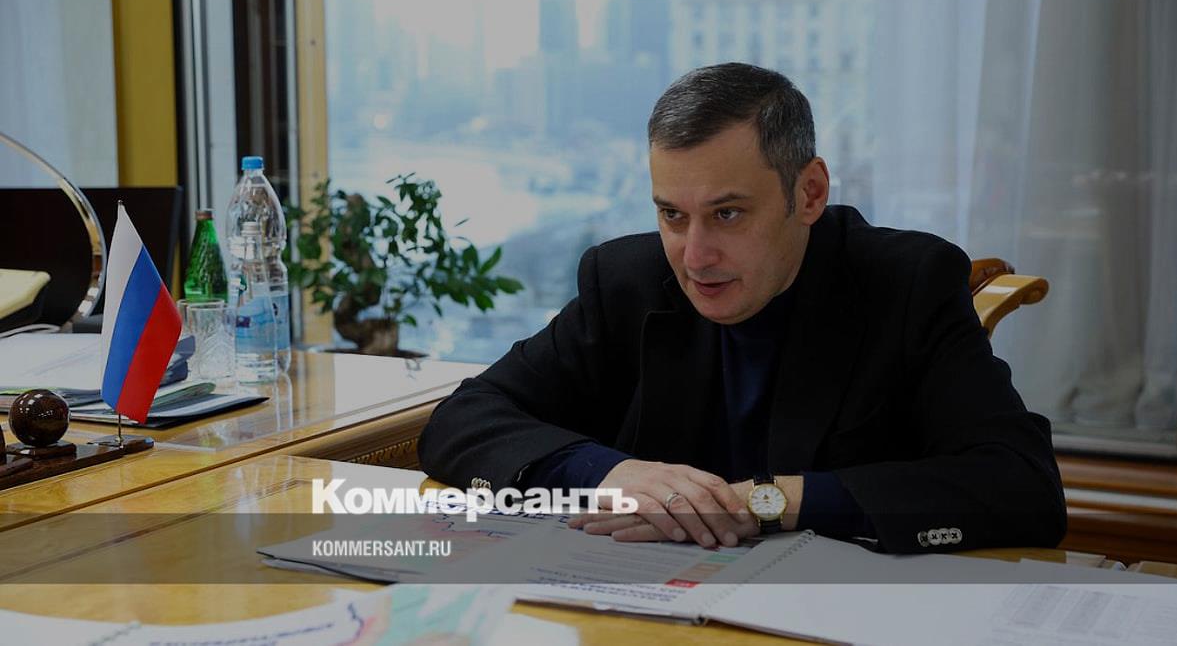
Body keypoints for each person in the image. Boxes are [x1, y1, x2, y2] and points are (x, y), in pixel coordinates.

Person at [418, 62, 1066, 554]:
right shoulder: (624, 279)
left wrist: (763, 501)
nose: (695, 256)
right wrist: (613, 473)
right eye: (672, 215)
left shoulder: (908, 282)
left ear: (809, 194)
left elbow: (1022, 487)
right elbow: (463, 420)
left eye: (727, 214)